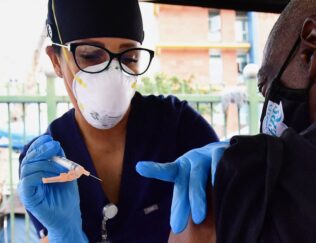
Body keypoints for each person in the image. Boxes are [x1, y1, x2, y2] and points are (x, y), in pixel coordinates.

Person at [137, 0, 316, 242]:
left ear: (310, 48)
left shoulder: (251, 184)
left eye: (267, 86)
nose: (269, 108)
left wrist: (236, 176)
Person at [17, 0, 218, 242]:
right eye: (91, 56)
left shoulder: (180, 127)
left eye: (130, 57)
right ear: (56, 61)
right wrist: (65, 236)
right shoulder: (44, 164)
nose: (113, 74)